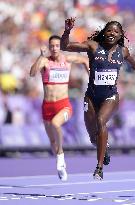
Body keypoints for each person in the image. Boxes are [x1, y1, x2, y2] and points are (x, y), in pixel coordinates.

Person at [60, 17, 135, 180]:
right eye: (109, 30)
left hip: (111, 96)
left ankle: (99, 168)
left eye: (116, 32)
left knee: (101, 121)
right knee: (93, 137)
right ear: (103, 33)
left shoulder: (123, 51)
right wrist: (67, 31)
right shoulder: (93, 46)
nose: (112, 33)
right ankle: (104, 148)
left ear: (120, 35)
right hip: (91, 96)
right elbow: (65, 46)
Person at [30, 35, 89, 181]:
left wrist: (91, 78)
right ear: (49, 47)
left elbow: (84, 60)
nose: (54, 48)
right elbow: (32, 73)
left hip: (64, 105)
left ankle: (61, 155)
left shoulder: (67, 59)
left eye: (57, 45)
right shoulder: (45, 61)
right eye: (52, 46)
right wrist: (40, 56)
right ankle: (60, 163)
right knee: (52, 142)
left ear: (60, 47)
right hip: (47, 106)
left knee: (56, 124)